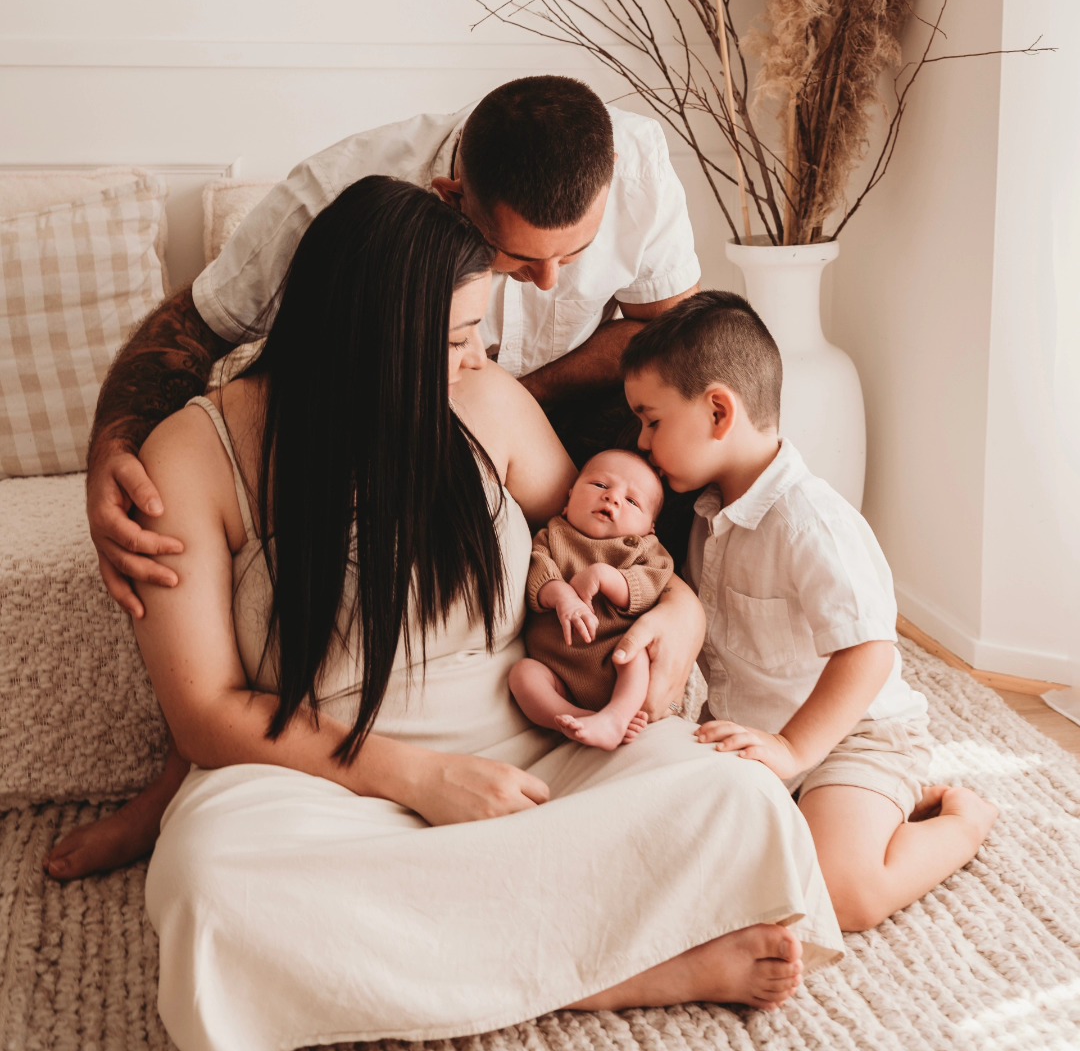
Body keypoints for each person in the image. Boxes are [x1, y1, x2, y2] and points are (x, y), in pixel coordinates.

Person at [105, 179, 839, 1051]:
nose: (476, 359)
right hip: (318, 776)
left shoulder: (485, 403)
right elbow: (205, 711)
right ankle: (602, 972)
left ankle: (460, 965)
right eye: (453, 340)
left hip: (531, 745)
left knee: (739, 796)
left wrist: (681, 609)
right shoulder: (199, 450)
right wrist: (420, 777)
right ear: (366, 331)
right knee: (212, 887)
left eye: (477, 335)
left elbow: (605, 533)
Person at [48, 75, 703, 880]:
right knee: (213, 881)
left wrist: (680, 610)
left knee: (724, 802)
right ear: (453, 197)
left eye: (572, 255)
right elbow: (190, 330)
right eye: (519, 262)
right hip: (339, 760)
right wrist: (112, 450)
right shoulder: (321, 207)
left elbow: (604, 514)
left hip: (572, 402)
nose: (550, 285)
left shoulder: (493, 377)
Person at [622, 291, 999, 933]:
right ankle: (840, 804)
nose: (640, 439)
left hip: (855, 735)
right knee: (661, 835)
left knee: (842, 891)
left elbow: (871, 652)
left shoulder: (809, 521)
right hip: (757, 735)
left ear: (719, 411)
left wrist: (795, 749)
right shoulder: (705, 513)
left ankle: (962, 818)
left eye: (652, 420)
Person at [510, 449, 679, 749]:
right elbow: (539, 571)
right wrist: (562, 595)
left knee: (635, 656)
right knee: (522, 676)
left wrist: (607, 576)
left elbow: (652, 583)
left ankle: (617, 713)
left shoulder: (645, 550)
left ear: (650, 527)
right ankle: (577, 717)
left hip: (611, 661)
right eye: (600, 485)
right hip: (555, 668)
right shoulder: (553, 535)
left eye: (632, 501)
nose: (612, 498)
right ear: (568, 498)